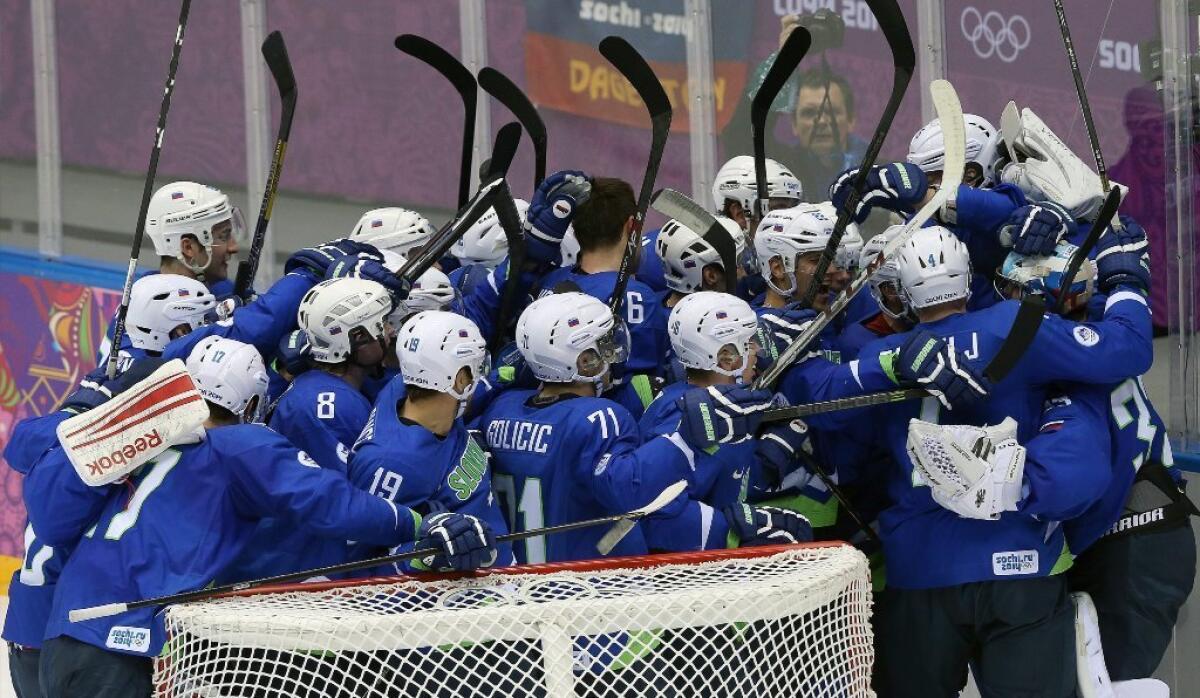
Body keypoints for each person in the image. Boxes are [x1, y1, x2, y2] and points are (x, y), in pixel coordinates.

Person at [29, 337, 496, 698]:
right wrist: (418, 525)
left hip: (61, 641)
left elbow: (50, 515)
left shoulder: (140, 451)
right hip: (121, 653)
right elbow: (329, 502)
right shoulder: (238, 446)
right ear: (251, 406)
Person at [853, 223, 1155, 697]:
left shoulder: (880, 354)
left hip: (919, 565)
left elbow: (818, 398)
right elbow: (1128, 350)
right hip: (1022, 561)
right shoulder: (1015, 325)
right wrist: (1127, 283)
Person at [996, 232, 1198, 683]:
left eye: (1013, 291)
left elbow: (1075, 478)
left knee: (1112, 687)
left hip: (1133, 545)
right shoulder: (1105, 326)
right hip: (1145, 533)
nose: (1004, 303)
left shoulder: (1062, 356)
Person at [478, 292, 803, 563]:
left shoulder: (500, 408)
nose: (613, 351)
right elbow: (636, 496)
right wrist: (726, 529)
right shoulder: (601, 417)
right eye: (601, 344)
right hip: (598, 595)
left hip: (527, 588)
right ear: (580, 358)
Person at [224, 277, 395, 582]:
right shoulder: (328, 405)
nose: (390, 332)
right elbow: (345, 504)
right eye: (382, 324)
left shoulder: (327, 390)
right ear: (355, 337)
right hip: (298, 573)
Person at [350, 311, 513, 571]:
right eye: (476, 368)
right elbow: (359, 560)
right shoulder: (388, 463)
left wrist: (502, 379)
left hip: (498, 572)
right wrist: (420, 556)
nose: (479, 375)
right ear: (460, 379)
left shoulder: (403, 388)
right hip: (463, 599)